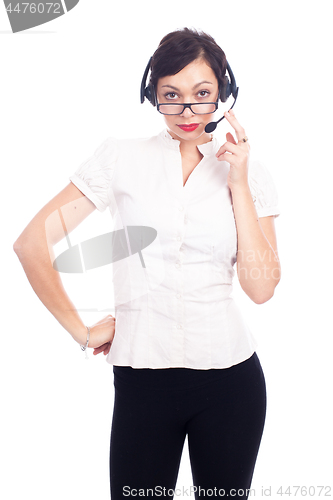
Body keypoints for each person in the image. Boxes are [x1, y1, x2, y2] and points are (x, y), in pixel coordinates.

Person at [13, 27, 281, 500]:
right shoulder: (120, 158)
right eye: (170, 96)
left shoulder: (247, 170)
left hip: (231, 383)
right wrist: (82, 332)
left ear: (223, 91)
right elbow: (31, 244)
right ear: (152, 94)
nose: (187, 111)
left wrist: (238, 181)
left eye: (202, 94)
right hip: (143, 383)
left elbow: (261, 288)